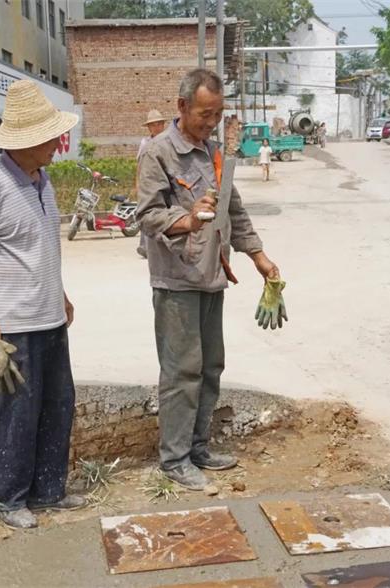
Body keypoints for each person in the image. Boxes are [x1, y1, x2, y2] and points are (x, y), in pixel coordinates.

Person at [136, 69, 284, 491]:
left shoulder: (214, 153)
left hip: (211, 275)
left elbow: (234, 212)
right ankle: (175, 459)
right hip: (177, 280)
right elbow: (147, 216)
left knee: (210, 367)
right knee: (182, 371)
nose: (212, 122)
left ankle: (198, 447)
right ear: (182, 107)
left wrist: (259, 257)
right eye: (205, 114)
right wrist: (187, 219)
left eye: (218, 114)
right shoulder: (159, 153)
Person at [0, 80, 84, 528]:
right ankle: (9, 500)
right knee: (16, 415)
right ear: (25, 141)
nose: (58, 145)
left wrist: (60, 295)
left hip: (49, 321)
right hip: (12, 328)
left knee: (57, 406)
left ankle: (48, 491)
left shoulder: (42, 180)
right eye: (51, 138)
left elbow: (38, 248)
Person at [136, 109, 168, 258]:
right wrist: (138, 184)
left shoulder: (168, 142)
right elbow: (139, 165)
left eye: (159, 124)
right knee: (147, 214)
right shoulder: (145, 143)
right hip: (148, 184)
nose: (157, 127)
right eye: (153, 125)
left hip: (164, 183)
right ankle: (145, 246)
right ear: (149, 127)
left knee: (164, 214)